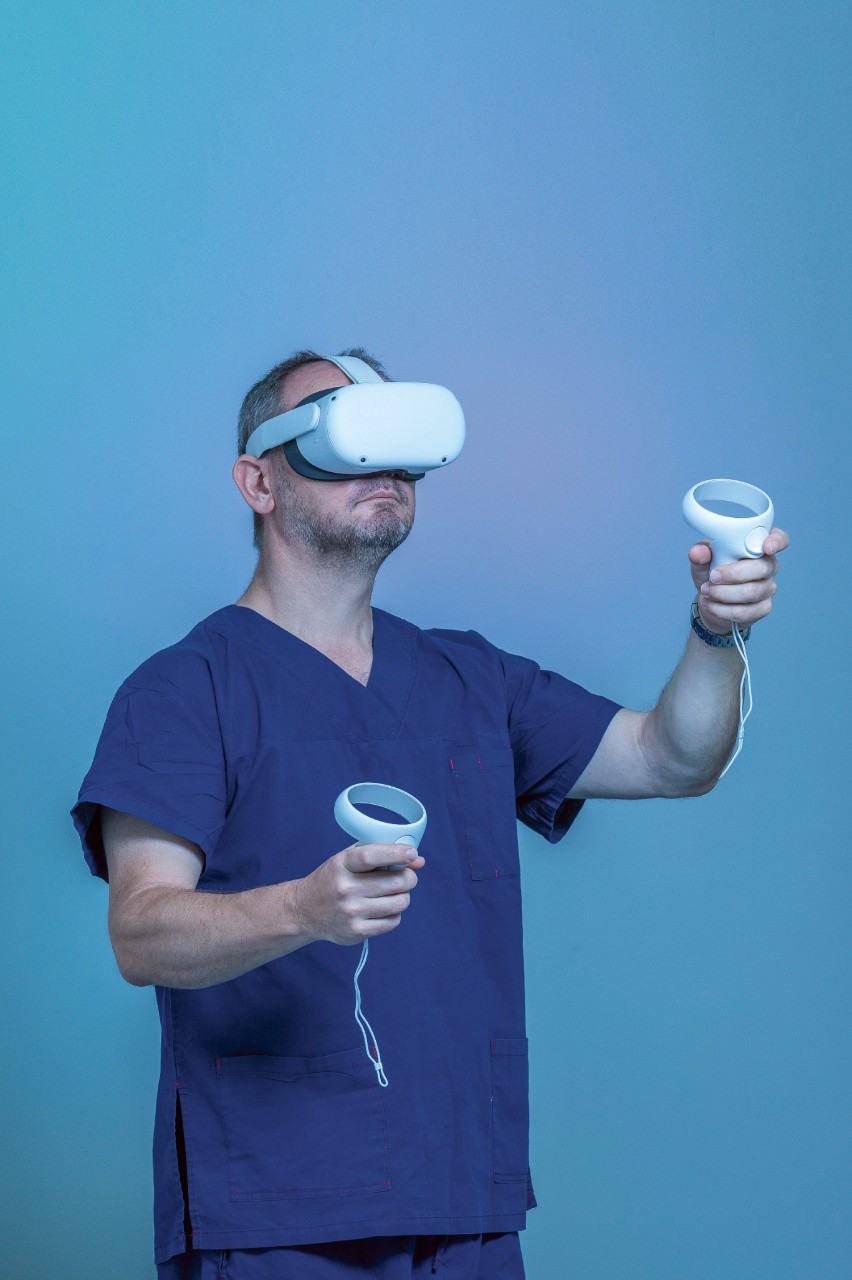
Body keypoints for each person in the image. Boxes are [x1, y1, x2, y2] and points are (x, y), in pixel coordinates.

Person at [71, 347, 788, 1279]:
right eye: (344, 432)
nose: (385, 465)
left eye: (399, 439)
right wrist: (301, 911)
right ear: (257, 481)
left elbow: (674, 757)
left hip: (465, 1199)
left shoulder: (469, 678)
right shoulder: (184, 691)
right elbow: (141, 934)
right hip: (279, 1210)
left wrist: (717, 629)